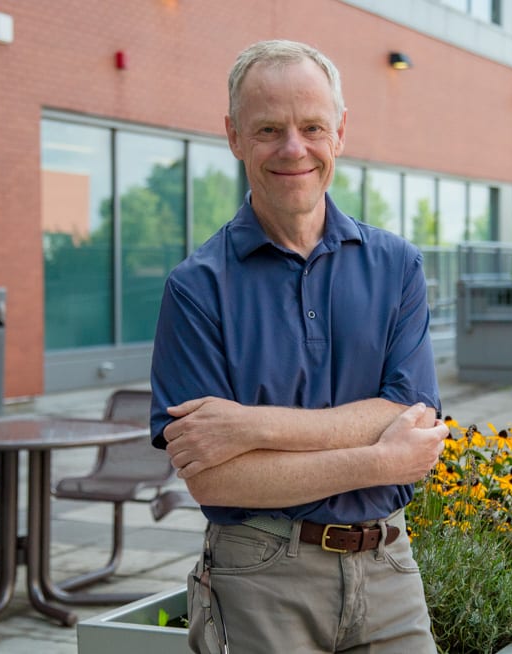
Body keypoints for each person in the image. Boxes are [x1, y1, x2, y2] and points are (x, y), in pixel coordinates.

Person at [149, 39, 448, 654]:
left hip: (391, 572)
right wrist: (381, 460)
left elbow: (407, 413)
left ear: (339, 132)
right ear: (233, 137)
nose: (294, 148)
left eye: (312, 126)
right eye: (268, 129)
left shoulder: (397, 266)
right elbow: (217, 482)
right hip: (261, 576)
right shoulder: (197, 288)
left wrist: (250, 427)